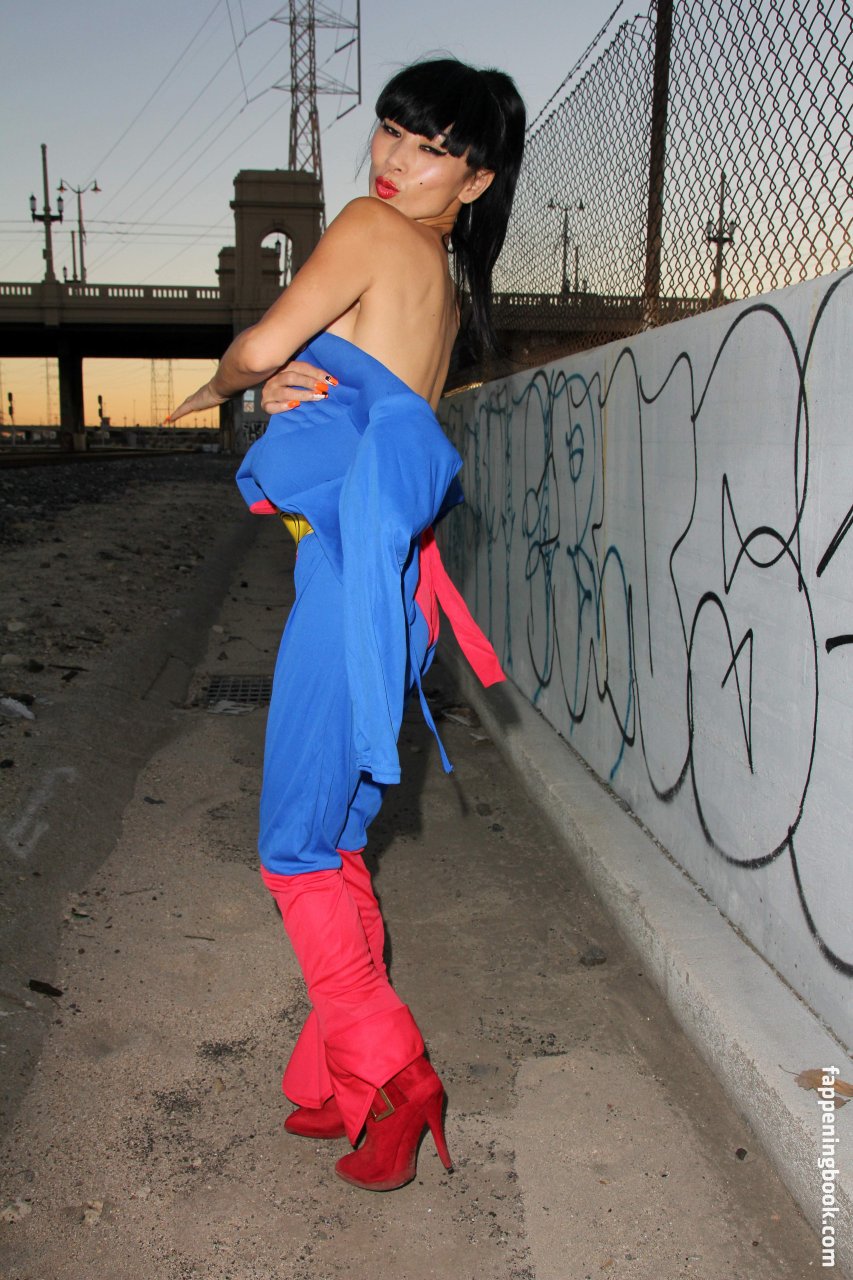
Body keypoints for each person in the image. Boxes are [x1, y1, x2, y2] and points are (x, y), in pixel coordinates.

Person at [169, 57, 526, 1192]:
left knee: (292, 849)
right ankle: (338, 1077)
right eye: (390, 131)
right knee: (334, 841)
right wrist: (294, 388)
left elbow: (257, 346)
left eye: (430, 148)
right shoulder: (445, 282)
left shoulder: (374, 231)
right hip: (402, 598)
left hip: (352, 592)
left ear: (474, 178)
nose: (393, 160)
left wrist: (226, 386)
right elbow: (365, 405)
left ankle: (395, 1073)